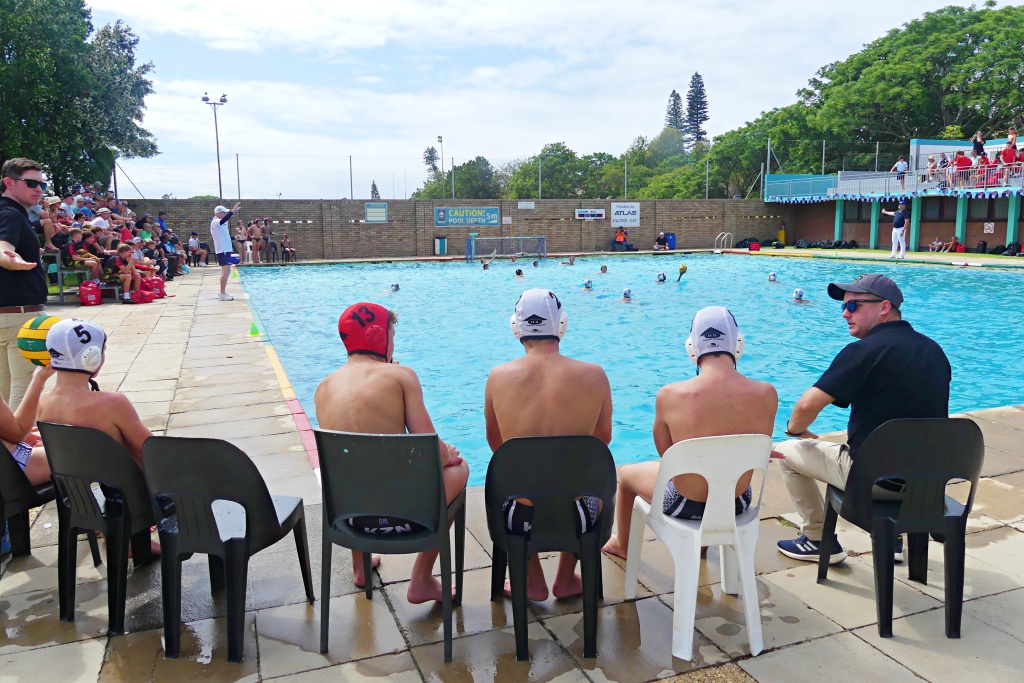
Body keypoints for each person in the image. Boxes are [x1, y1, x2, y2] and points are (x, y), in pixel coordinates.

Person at [776, 274, 950, 564]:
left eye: (854, 306)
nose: (845, 313)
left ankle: (818, 540)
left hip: (876, 481)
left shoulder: (863, 351)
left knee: (785, 453)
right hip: (928, 481)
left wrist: (796, 430)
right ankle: (891, 536)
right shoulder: (934, 350)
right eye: (844, 307)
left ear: (883, 308)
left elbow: (806, 405)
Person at [314, 302, 469, 603]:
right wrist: (447, 454)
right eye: (392, 335)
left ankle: (360, 567)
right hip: (406, 518)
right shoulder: (401, 376)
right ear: (378, 337)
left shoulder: (323, 387)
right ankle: (422, 580)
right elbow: (432, 454)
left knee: (355, 469)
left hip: (351, 521)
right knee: (460, 469)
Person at [603, 307, 777, 560]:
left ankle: (623, 545)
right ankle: (704, 544)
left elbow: (667, 454)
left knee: (627, 475)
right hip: (737, 503)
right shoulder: (766, 393)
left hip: (684, 504)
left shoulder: (670, 395)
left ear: (691, 347)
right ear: (738, 344)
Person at [484, 289, 612, 600]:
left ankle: (533, 579)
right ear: (561, 325)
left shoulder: (498, 377)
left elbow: (497, 445)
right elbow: (602, 441)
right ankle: (566, 578)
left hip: (519, 512)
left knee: (513, 480)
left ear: (516, 327)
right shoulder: (594, 375)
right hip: (581, 511)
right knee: (587, 479)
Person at [38, 318, 161, 555]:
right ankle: (136, 531)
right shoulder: (112, 403)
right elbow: (150, 449)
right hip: (125, 495)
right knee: (134, 445)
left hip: (81, 495)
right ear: (92, 357)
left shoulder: (44, 403)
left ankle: (104, 522)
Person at [0, 159, 49, 410]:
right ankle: (17, 447)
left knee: (6, 391)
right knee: (24, 389)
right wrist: (10, 259)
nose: (39, 189)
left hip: (6, 316)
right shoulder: (11, 215)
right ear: (9, 182)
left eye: (41, 184)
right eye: (31, 183)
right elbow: (3, 247)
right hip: (19, 315)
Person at [210, 203, 241, 301]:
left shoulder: (221, 224)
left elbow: (224, 236)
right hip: (222, 250)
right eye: (224, 212)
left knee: (226, 271)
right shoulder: (216, 222)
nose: (225, 214)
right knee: (226, 271)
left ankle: (223, 293)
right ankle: (222, 293)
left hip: (225, 250)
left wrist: (234, 238)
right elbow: (224, 219)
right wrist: (232, 211)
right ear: (219, 213)